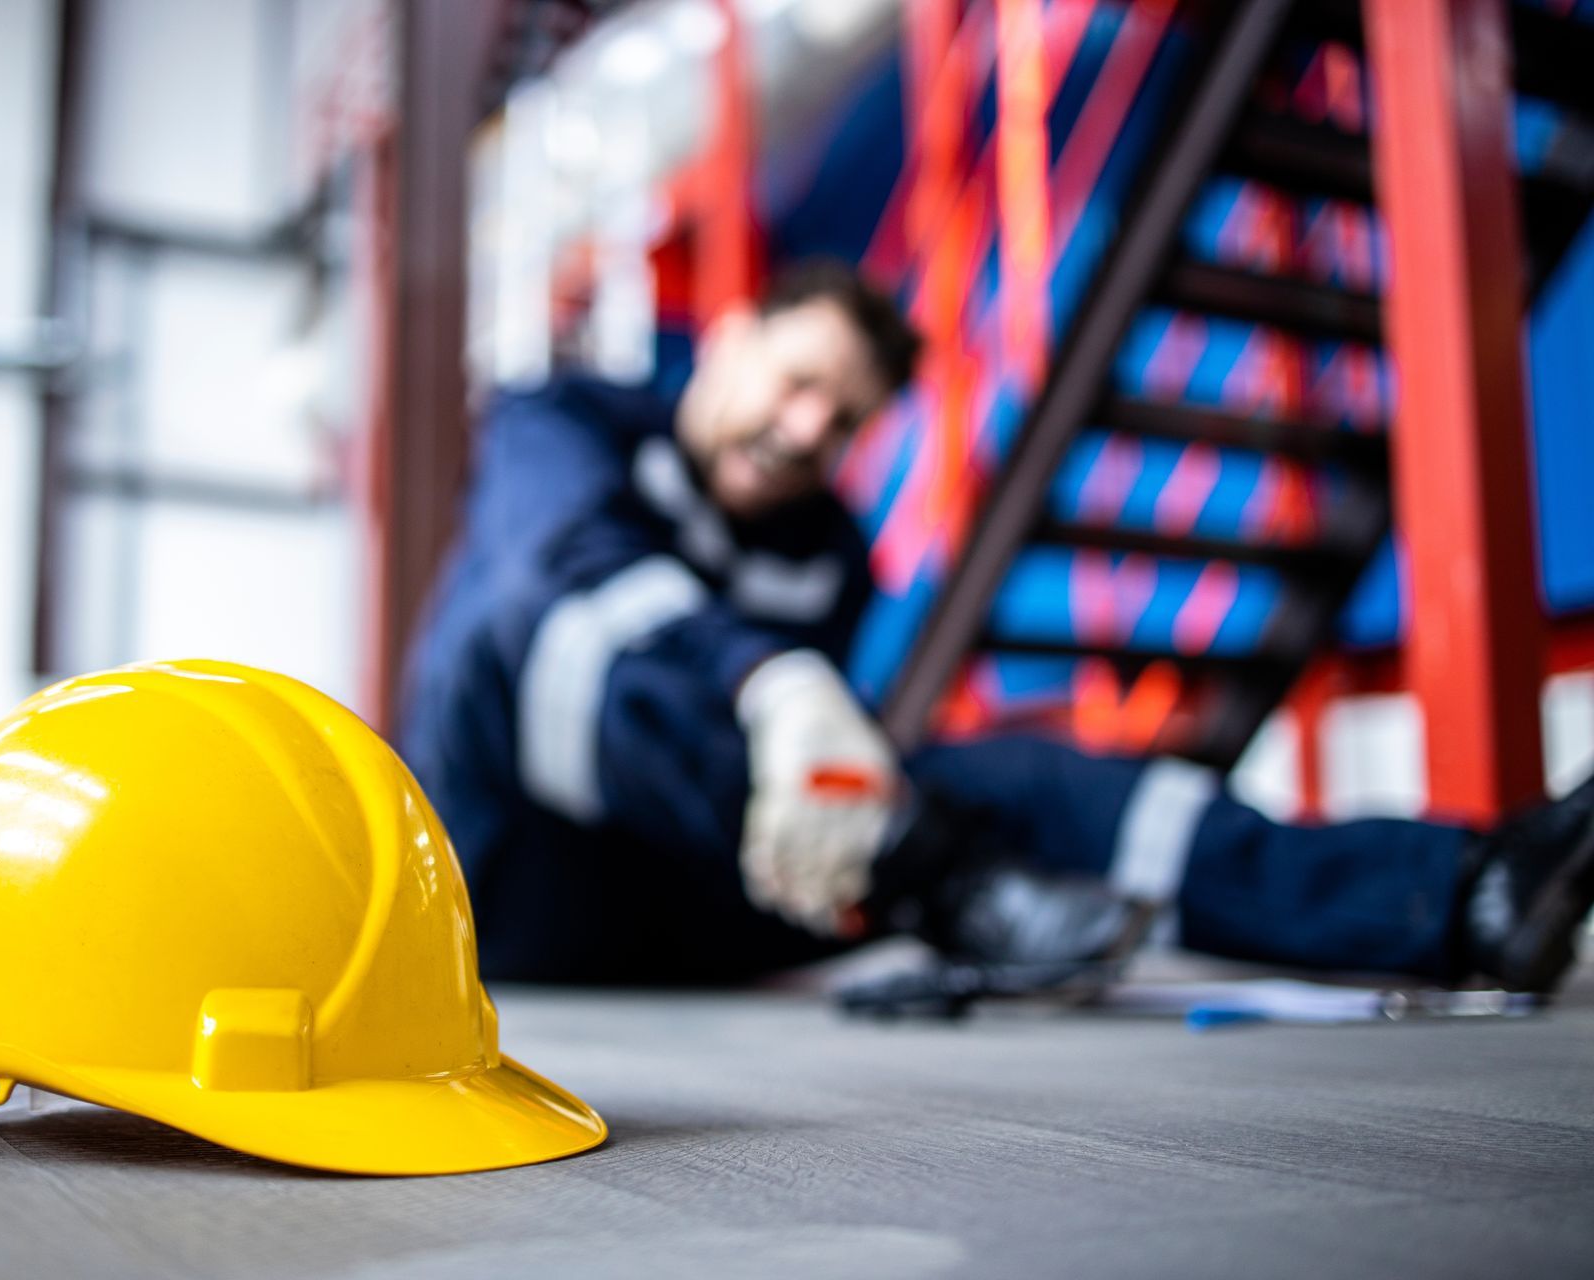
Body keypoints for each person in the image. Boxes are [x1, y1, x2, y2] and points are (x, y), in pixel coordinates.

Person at [398, 258, 1594, 992]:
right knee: (534, 640)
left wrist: (834, 758)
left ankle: (1457, 892)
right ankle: (944, 875)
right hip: (509, 890)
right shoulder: (558, 421)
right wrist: (771, 684)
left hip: (717, 895)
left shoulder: (832, 552)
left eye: (847, 418)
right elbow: (560, 578)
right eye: (800, 381)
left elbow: (828, 775)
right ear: (728, 340)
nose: (812, 429)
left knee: (1022, 779)